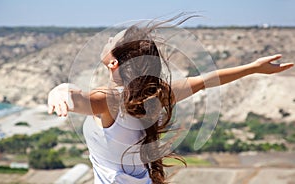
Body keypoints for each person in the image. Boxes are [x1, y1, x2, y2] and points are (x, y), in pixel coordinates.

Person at [47, 16, 294, 184]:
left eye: (112, 41)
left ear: (114, 63)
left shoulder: (109, 100)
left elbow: (78, 97)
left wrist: (60, 90)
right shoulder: (154, 96)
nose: (108, 39)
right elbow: (207, 80)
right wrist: (252, 68)